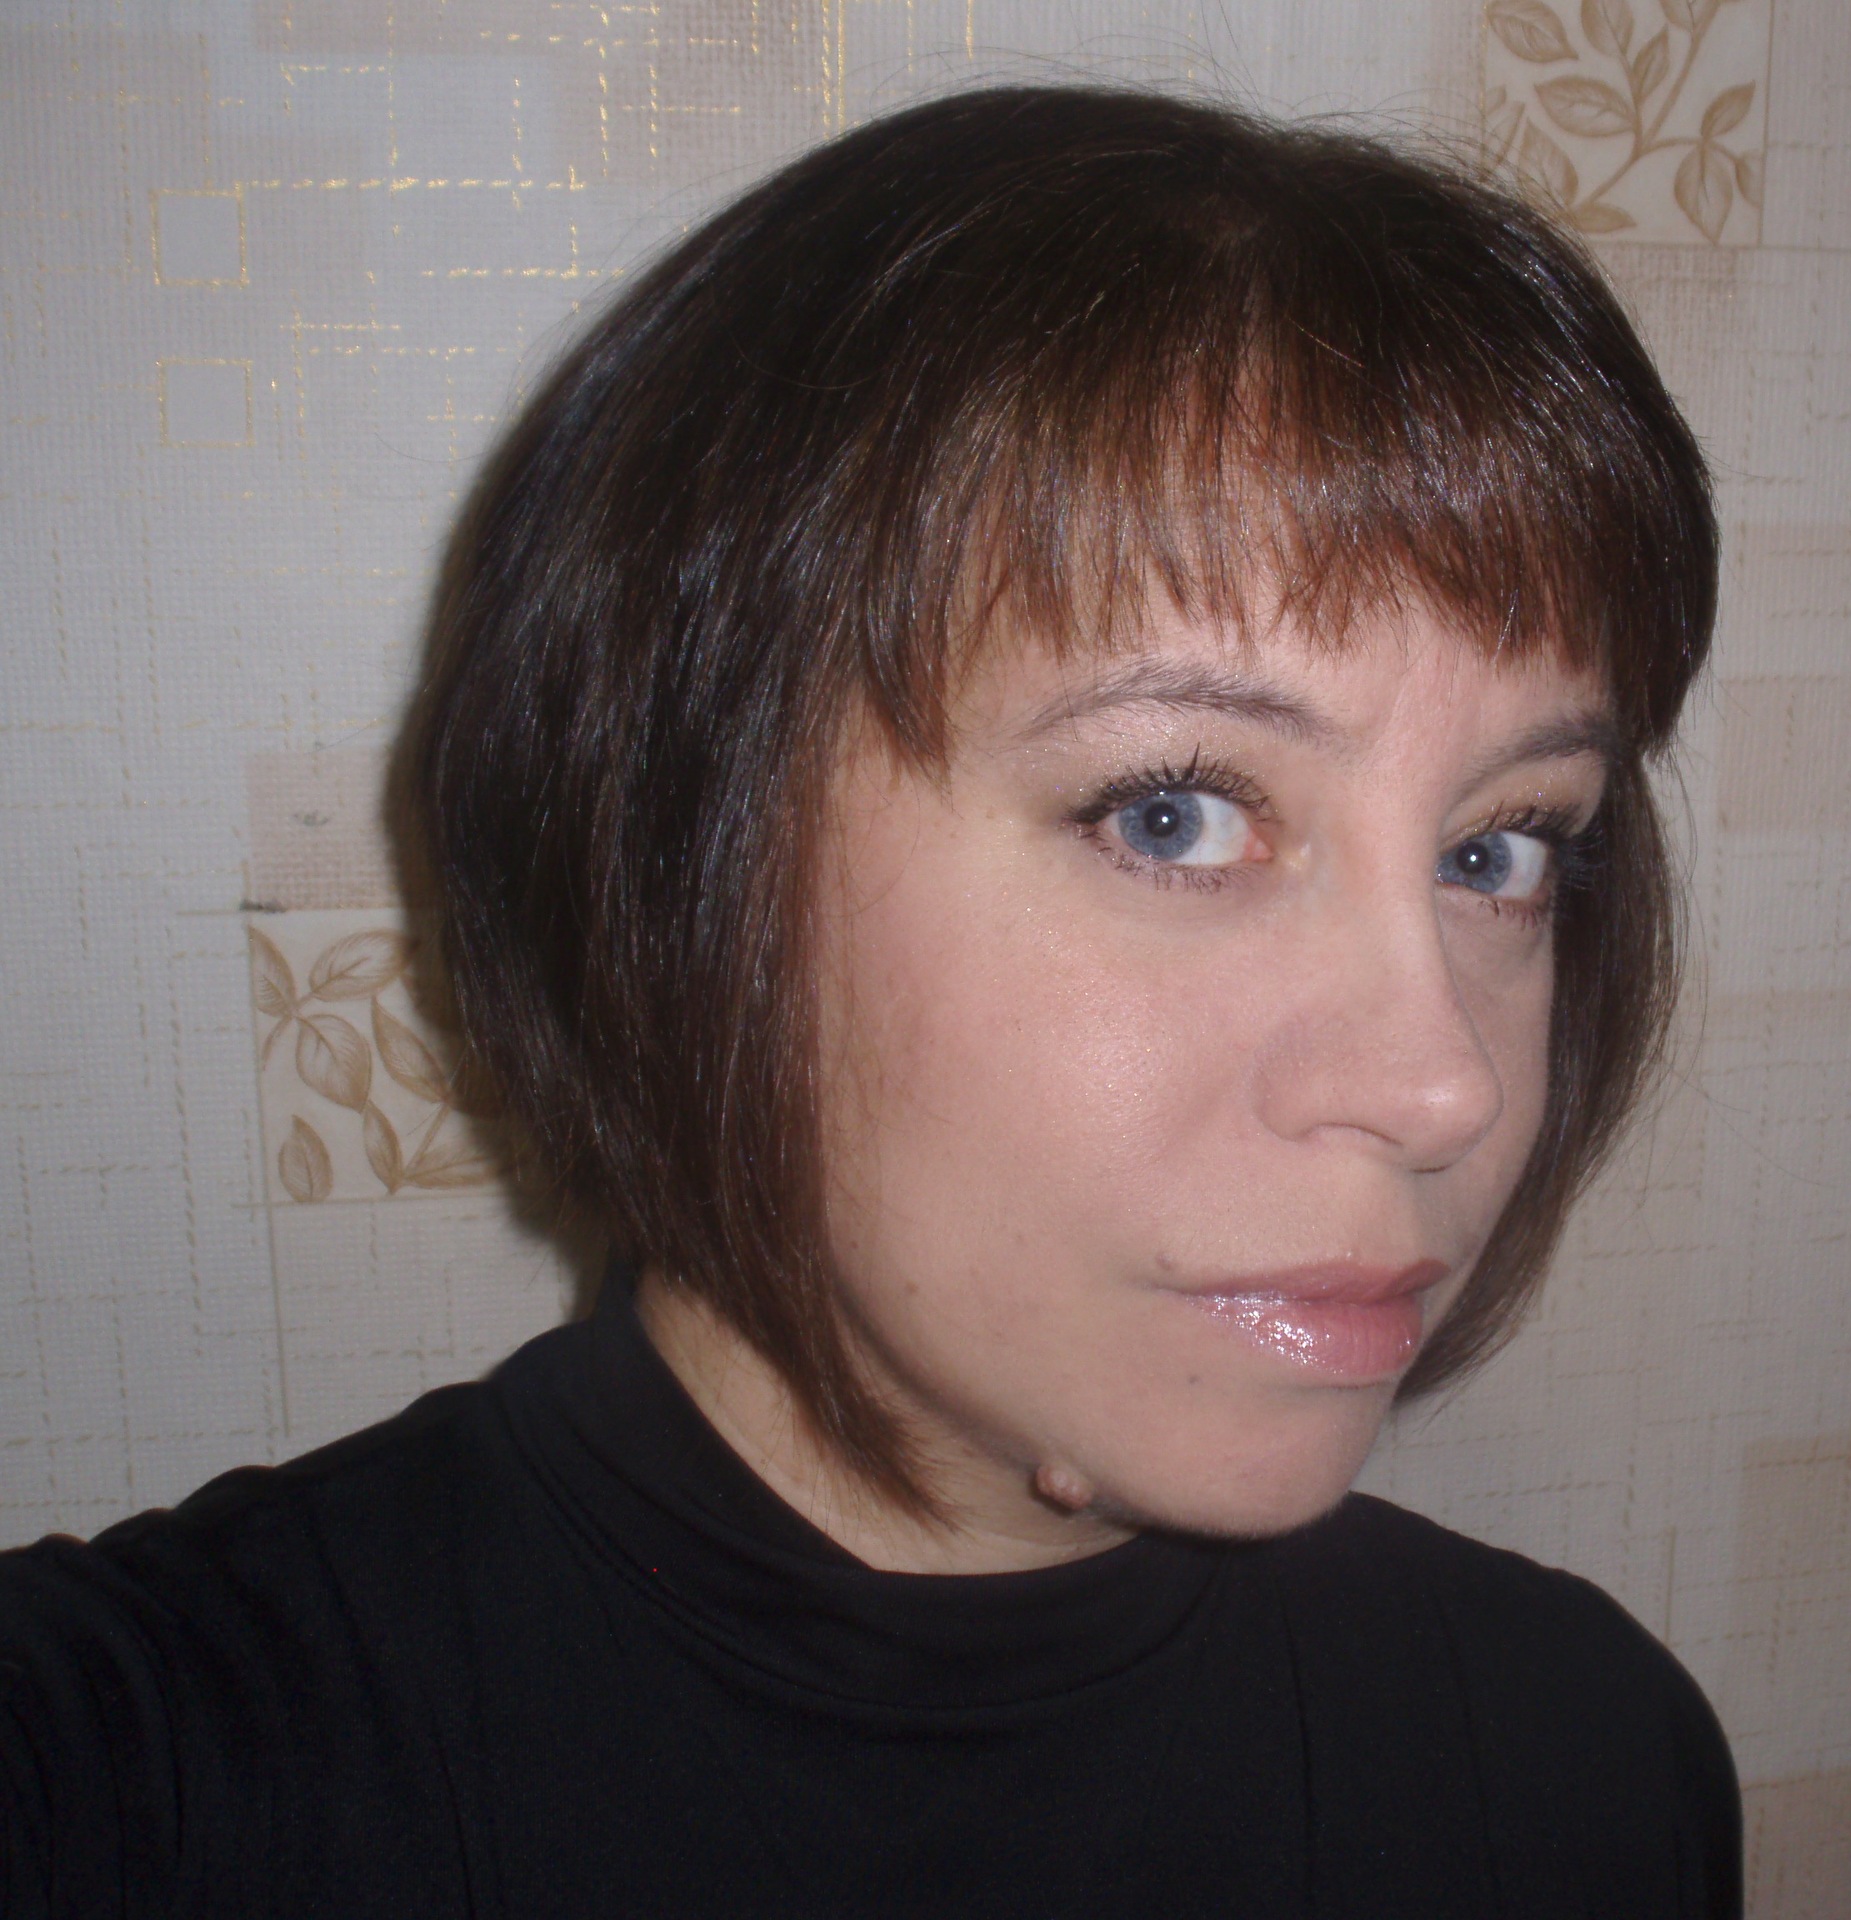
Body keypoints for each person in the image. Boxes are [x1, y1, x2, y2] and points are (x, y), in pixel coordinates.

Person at [0, 85, 1736, 1915]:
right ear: (671, 848)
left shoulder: (1578, 1766)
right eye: (1172, 814)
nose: (1442, 1082)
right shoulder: (138, 1789)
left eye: (1501, 848)